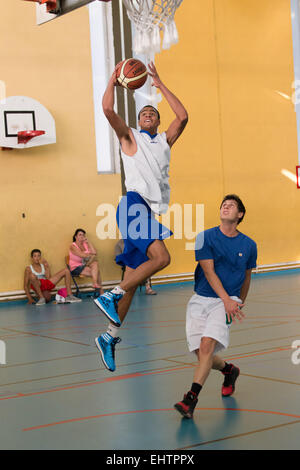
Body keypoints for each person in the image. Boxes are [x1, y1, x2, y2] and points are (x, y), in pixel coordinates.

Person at [94, 61, 188, 372]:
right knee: (162, 258)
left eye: (153, 114)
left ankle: (109, 337)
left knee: (133, 282)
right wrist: (113, 78)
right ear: (137, 122)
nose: (147, 115)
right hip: (133, 204)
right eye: (143, 114)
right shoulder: (130, 138)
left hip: (147, 211)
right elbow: (108, 110)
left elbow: (183, 116)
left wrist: (160, 84)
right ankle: (111, 294)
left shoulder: (164, 141)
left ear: (159, 121)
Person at [174, 195, 257, 419]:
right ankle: (229, 370)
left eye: (231, 205)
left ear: (240, 215)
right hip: (201, 299)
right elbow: (209, 273)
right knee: (201, 354)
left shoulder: (249, 245)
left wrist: (238, 300)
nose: (226, 206)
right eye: (223, 204)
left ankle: (190, 399)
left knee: (207, 344)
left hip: (228, 299)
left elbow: (247, 276)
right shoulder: (204, 237)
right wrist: (227, 300)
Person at [69, 228, 104, 294]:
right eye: (80, 235)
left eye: (83, 235)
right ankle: (101, 292)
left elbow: (95, 252)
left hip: (84, 265)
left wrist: (89, 242)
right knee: (97, 273)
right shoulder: (72, 246)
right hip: (75, 268)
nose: (82, 236)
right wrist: (91, 255)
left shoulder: (85, 244)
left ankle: (95, 284)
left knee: (95, 263)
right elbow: (82, 255)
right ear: (75, 237)